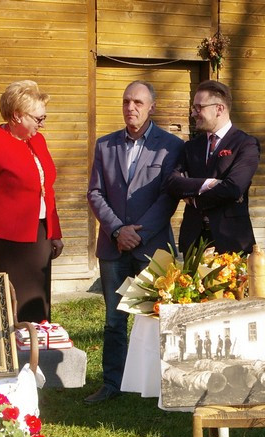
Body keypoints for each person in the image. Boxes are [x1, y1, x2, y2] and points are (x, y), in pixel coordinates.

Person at [85, 80, 184, 404]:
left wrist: (138, 233)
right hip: (113, 246)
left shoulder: (170, 146)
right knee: (114, 319)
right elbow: (95, 193)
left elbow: (169, 196)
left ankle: (164, 383)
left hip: (152, 245)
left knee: (160, 316)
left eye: (138, 102)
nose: (131, 108)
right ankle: (112, 383)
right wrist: (117, 230)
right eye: (127, 101)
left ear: (151, 107)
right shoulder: (105, 145)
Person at [0, 80, 64, 323]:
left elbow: (46, 189)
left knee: (37, 305)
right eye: (38, 119)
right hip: (6, 242)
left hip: (39, 235)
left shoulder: (37, 141)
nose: (42, 124)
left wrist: (55, 232)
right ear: (17, 115)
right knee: (11, 307)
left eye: (44, 118)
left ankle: (36, 345)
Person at [167, 80, 260, 254]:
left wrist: (195, 200)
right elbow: (172, 182)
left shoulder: (246, 144)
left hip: (231, 241)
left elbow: (233, 188)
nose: (193, 113)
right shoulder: (191, 146)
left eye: (199, 107)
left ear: (219, 109)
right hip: (193, 241)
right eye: (193, 108)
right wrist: (208, 184)